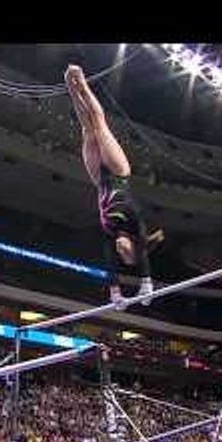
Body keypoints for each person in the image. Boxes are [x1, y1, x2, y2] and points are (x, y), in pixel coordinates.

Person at [64, 64, 163, 307]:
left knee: (87, 132)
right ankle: (82, 81)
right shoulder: (134, 223)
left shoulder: (110, 235)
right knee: (98, 123)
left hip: (99, 178)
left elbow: (110, 265)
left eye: (121, 254)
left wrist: (116, 293)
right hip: (119, 172)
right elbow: (143, 259)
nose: (120, 250)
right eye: (126, 252)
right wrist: (146, 284)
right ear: (135, 246)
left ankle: (71, 88)